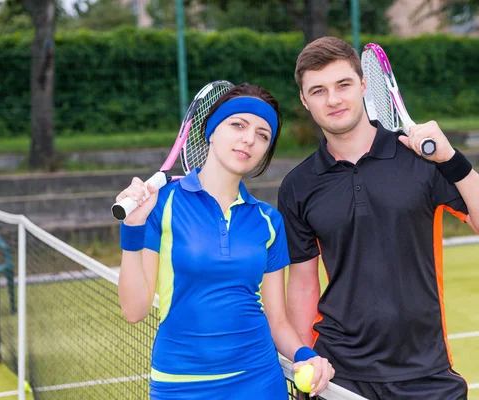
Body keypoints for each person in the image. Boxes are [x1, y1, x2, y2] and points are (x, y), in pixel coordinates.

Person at [277, 37, 479, 400]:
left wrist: (452, 160)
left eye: (343, 85)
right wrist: (303, 358)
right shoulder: (298, 185)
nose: (334, 99)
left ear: (364, 85)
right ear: (305, 101)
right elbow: (304, 283)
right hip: (340, 372)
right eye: (319, 91)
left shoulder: (422, 160)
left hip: (426, 369)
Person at [116, 83, 335, 399]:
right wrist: (133, 228)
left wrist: (304, 354)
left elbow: (277, 320)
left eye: (263, 135)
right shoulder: (162, 205)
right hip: (180, 384)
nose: (249, 139)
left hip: (259, 379)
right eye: (238, 125)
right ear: (211, 131)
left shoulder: (268, 221)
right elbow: (134, 310)